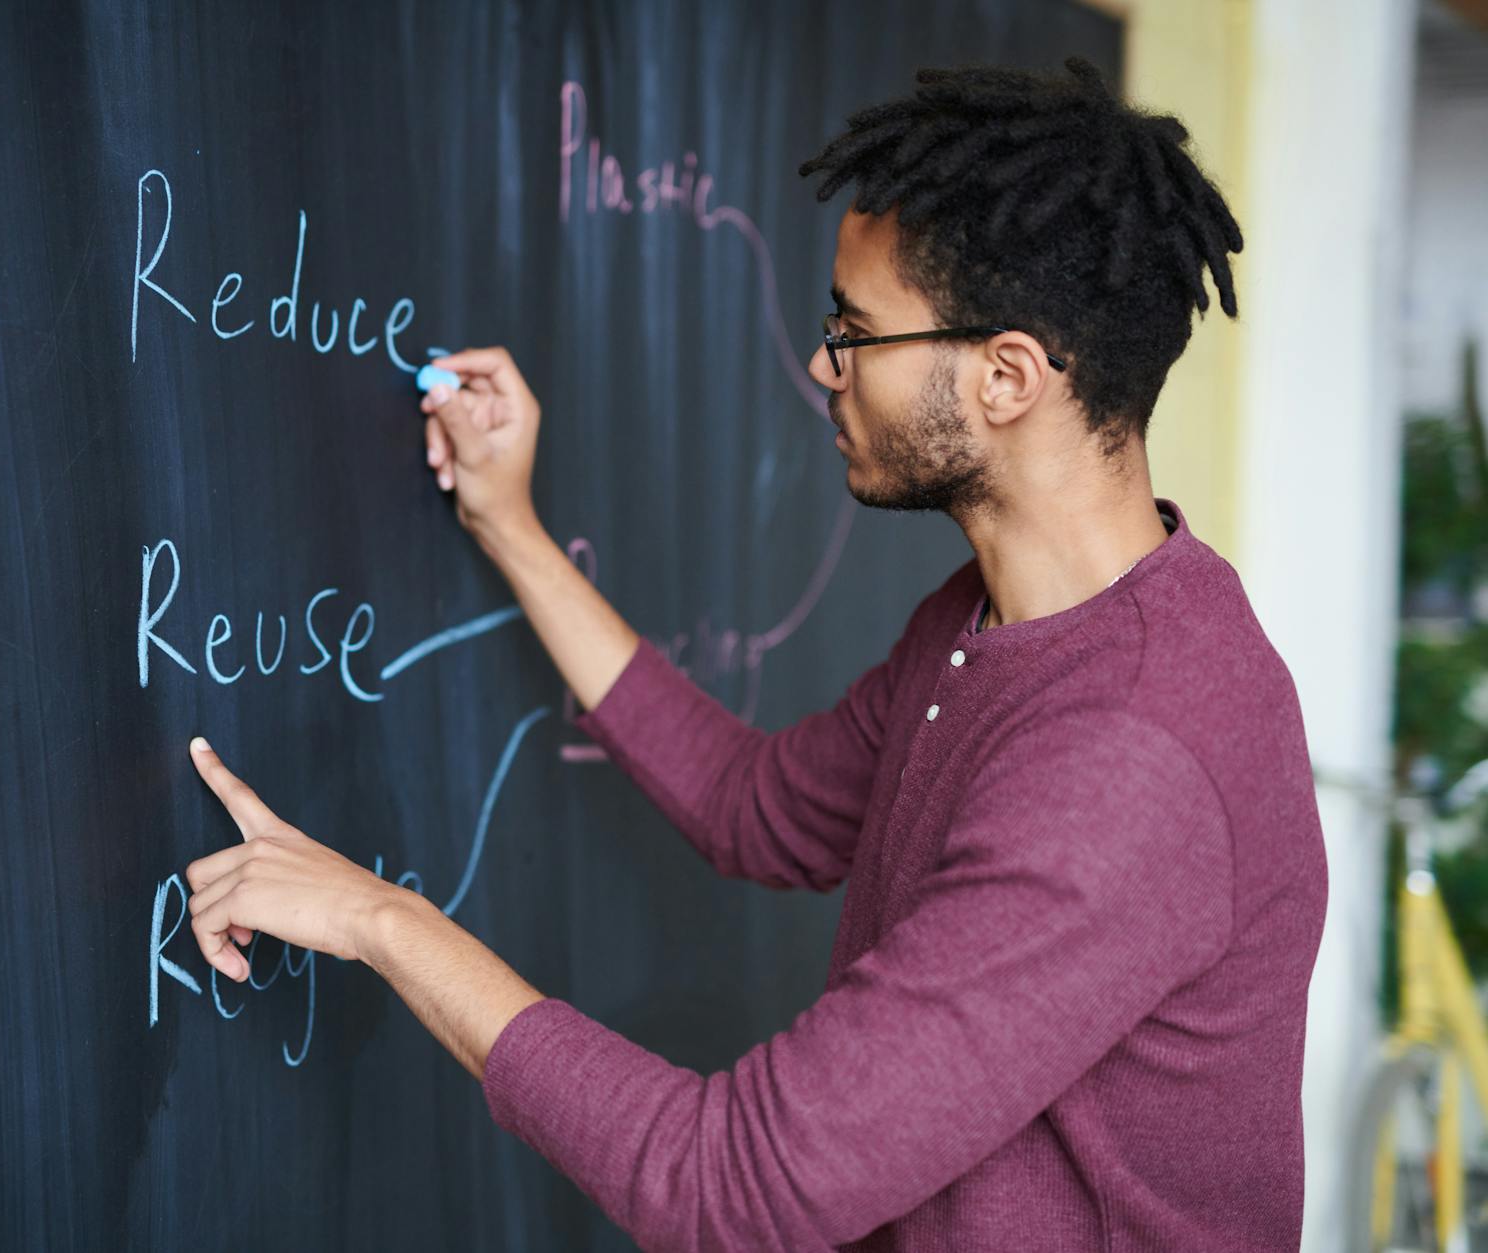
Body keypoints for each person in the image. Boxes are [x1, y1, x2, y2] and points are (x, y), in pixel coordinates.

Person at [179, 56, 1327, 1251]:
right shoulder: (987, 622)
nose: (822, 368)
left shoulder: (1127, 759)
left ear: (1005, 376)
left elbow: (731, 1186)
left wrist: (378, 917)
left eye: (853, 331)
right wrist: (506, 525)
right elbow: (755, 806)